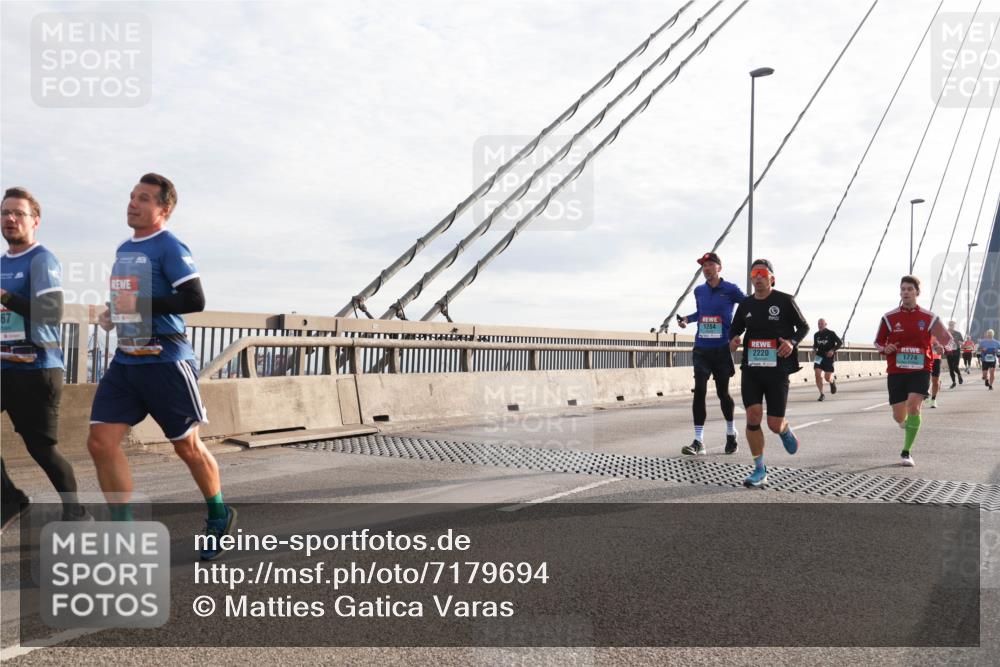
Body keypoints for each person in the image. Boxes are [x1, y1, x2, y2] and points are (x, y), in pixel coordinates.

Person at [86, 174, 235, 559]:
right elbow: (129, 300)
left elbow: (194, 298)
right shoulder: (123, 249)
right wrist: (111, 312)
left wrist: (138, 307)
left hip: (166, 360)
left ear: (163, 209)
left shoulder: (169, 245)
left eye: (144, 199)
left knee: (186, 447)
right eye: (132, 196)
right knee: (100, 442)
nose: (133, 203)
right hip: (126, 360)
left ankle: (219, 514)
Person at [1, 187, 86, 528]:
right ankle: (10, 500)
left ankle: (76, 511)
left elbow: (50, 312)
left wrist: (5, 295)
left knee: (42, 449)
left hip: (37, 369)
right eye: (5, 212)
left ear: (35, 221)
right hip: (3, 365)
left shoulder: (42, 260)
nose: (10, 218)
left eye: (18, 213)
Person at [729, 259, 809, 488]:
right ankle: (759, 469)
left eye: (762, 273)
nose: (758, 277)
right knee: (753, 417)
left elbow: (803, 327)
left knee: (773, 423)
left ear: (772, 278)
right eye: (754, 274)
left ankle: (784, 429)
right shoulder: (745, 305)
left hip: (778, 370)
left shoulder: (784, 301)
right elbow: (735, 329)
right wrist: (733, 339)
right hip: (752, 369)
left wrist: (792, 342)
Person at [874, 275, 953, 467]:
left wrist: (944, 349)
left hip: (921, 369)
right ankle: (906, 424)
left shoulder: (929, 318)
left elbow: (948, 340)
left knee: (914, 406)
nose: (906, 292)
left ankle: (906, 452)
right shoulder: (889, 318)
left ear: (917, 292)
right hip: (896, 370)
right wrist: (886, 348)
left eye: (909, 289)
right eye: (903, 289)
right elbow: (878, 342)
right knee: (899, 416)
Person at [677, 252, 746, 455]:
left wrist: (737, 332)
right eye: (703, 265)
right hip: (701, 348)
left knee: (723, 393)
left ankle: (731, 432)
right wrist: (687, 320)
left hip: (722, 349)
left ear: (719, 268)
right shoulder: (699, 291)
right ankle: (698, 441)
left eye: (710, 264)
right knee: (699, 391)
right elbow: (701, 314)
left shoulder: (731, 289)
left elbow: (748, 306)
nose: (706, 268)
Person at [811, 318, 842, 401]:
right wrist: (813, 348)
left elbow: (840, 343)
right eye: (818, 324)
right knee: (817, 373)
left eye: (821, 323)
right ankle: (821, 394)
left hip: (828, 357)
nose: (820, 325)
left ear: (825, 324)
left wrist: (832, 350)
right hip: (819, 356)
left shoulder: (831, 333)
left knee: (827, 378)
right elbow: (815, 345)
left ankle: (832, 381)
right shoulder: (816, 335)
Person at [945, 320, 964, 388]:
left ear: (954, 325)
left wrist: (959, 342)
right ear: (948, 325)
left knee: (955, 366)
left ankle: (959, 375)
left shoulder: (958, 333)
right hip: (948, 351)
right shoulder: (945, 332)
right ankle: (953, 382)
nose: (951, 326)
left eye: (952, 325)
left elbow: (962, 342)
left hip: (956, 351)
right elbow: (942, 341)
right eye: (950, 325)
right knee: (951, 368)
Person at [928, 336, 944, 408]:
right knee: (924, 379)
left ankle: (933, 400)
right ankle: (926, 393)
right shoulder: (922, 330)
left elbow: (944, 345)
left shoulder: (938, 332)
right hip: (925, 358)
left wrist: (941, 348)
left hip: (936, 359)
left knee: (935, 381)